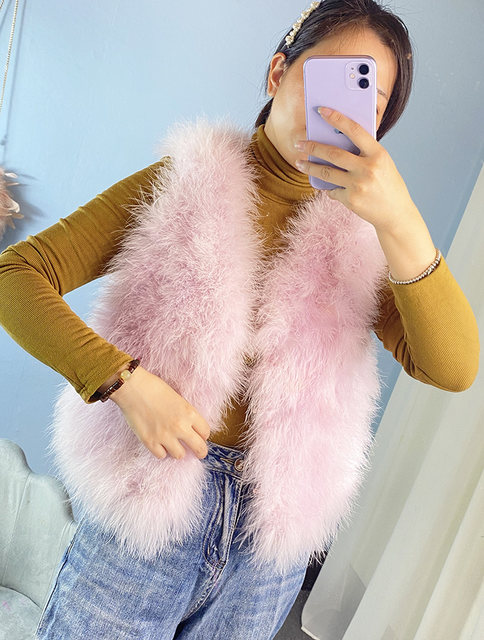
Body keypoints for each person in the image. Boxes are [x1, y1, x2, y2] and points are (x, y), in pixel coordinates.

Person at [0, 1, 479, 639]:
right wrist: (124, 381)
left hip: (267, 547)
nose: (338, 112)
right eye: (328, 77)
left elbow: (453, 368)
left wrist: (402, 221)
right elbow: (15, 274)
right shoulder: (183, 182)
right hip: (147, 508)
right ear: (278, 72)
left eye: (365, 98)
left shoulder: (367, 246)